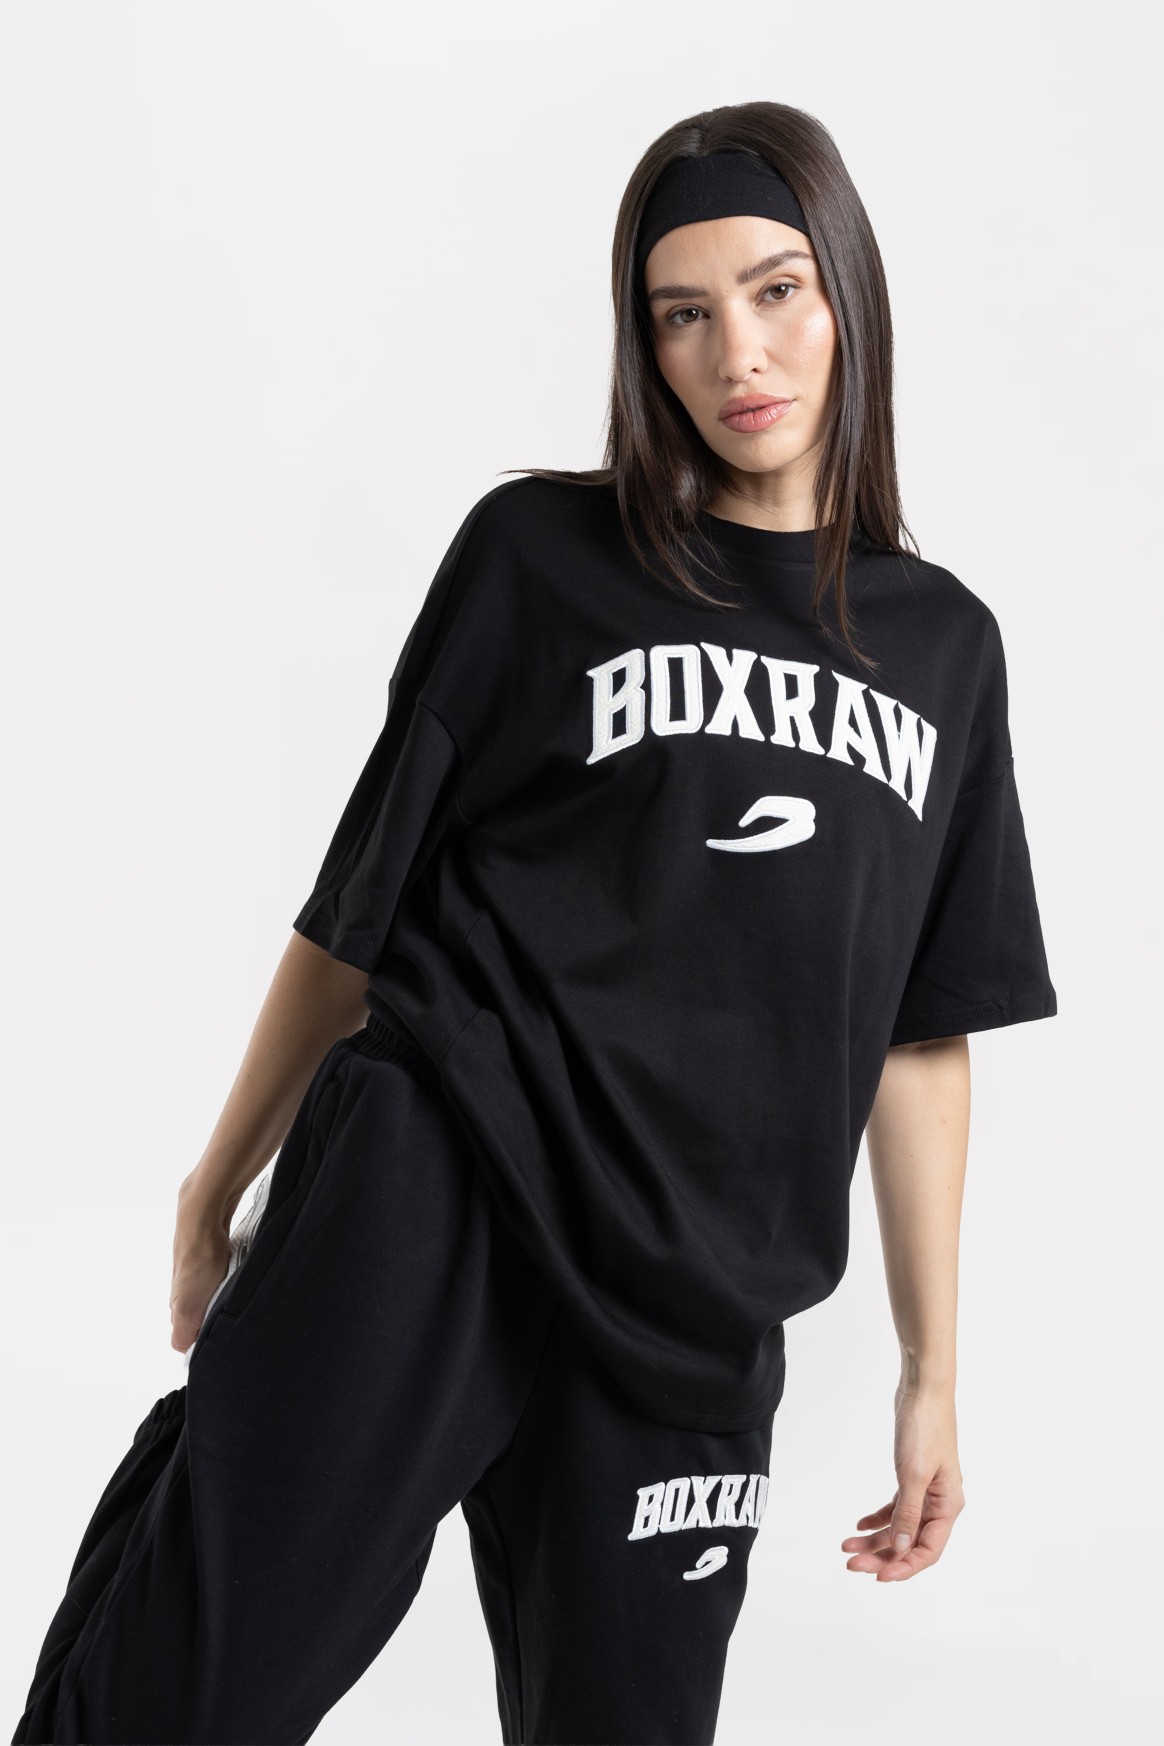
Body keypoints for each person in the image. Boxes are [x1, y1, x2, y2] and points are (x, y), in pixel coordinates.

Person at [11, 98, 1058, 1746]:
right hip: (439, 1187)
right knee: (185, 1692)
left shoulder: (945, 650)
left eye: (777, 290)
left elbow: (922, 1033)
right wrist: (218, 1184)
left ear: (848, 289)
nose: (738, 353)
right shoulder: (540, 558)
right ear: (645, 346)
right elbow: (359, 908)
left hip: (699, 1297)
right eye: (682, 314)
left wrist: (933, 1373)